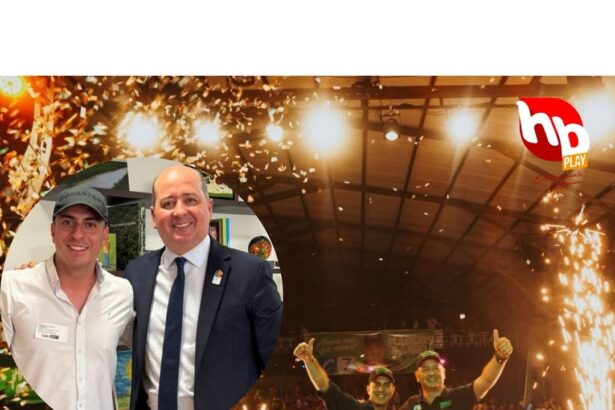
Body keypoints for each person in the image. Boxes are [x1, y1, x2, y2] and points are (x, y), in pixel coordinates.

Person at [124, 165, 283, 410]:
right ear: (154, 217)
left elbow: (274, 362)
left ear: (209, 207)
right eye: (168, 203)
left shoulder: (251, 274)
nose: (179, 211)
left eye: (190, 200)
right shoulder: (136, 273)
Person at [0, 186, 134, 410]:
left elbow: (149, 348)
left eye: (90, 224)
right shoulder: (12, 289)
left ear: (104, 234)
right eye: (68, 222)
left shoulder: (122, 293)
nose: (78, 234)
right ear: (53, 230)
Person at [400, 329, 513, 410]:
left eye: (435, 368)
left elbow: (486, 381)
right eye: (425, 369)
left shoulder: (458, 397)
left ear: (444, 373)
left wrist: (500, 358)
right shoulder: (411, 405)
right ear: (417, 376)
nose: (431, 373)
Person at [293, 338, 396, 410]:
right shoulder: (354, 408)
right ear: (368, 389)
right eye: (377, 384)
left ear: (393, 390)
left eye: (386, 385)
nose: (381, 389)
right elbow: (326, 387)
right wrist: (308, 360)